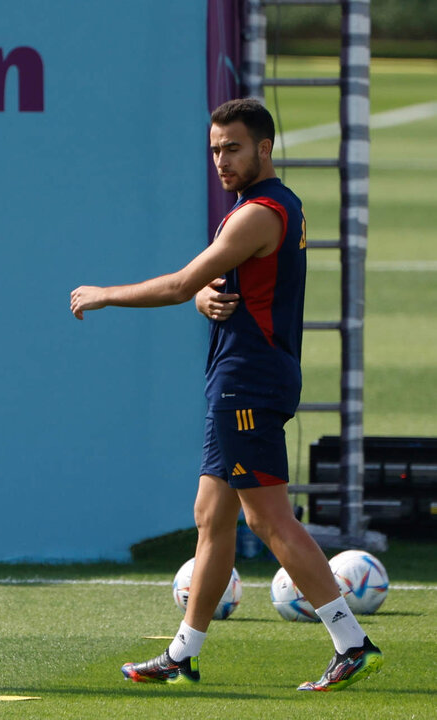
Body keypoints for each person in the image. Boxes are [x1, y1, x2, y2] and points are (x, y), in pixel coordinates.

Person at [69, 98, 382, 691]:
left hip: (248, 381)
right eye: (214, 149)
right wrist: (201, 298)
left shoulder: (258, 212)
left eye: (232, 148)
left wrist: (106, 293)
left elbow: (186, 279)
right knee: (211, 519)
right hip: (242, 376)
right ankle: (182, 653)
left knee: (269, 521)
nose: (221, 160)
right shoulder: (260, 208)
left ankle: (352, 641)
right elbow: (214, 286)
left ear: (264, 148)